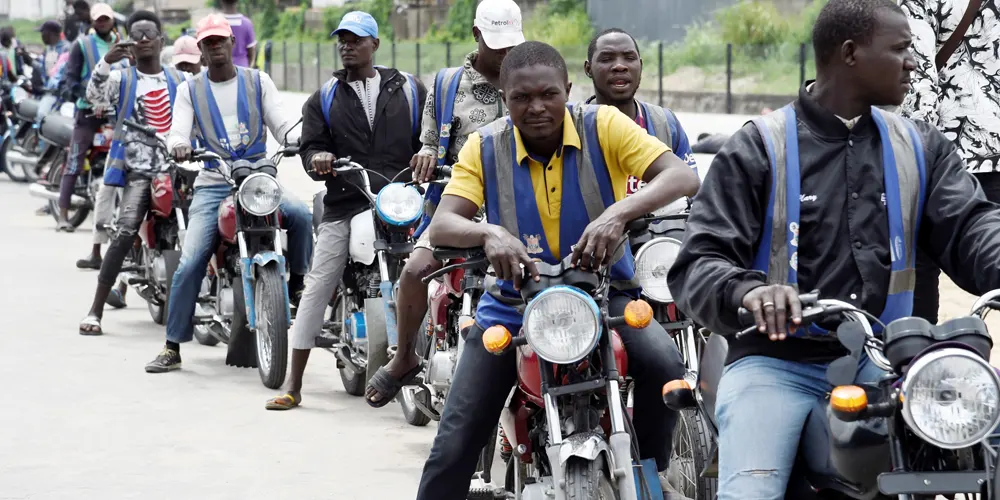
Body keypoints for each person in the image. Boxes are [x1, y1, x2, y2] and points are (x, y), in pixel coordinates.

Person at [666, 1, 1000, 498]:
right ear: (850, 53)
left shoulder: (921, 145)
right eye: (901, 49)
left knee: (977, 451)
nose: (914, 63)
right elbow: (698, 262)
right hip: (774, 363)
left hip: (887, 361)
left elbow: (971, 222)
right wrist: (749, 292)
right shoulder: (759, 146)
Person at [415, 41, 700, 500]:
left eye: (549, 94)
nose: (537, 108)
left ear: (569, 89)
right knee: (454, 441)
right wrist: (489, 235)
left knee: (665, 363)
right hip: (513, 305)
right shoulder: (482, 146)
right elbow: (445, 220)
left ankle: (650, 469)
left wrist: (618, 214)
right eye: (521, 98)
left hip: (607, 295)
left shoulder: (604, 124)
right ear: (503, 98)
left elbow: (682, 176)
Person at [361, 0, 523, 408]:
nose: (504, 53)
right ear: (475, 35)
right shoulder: (447, 83)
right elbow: (430, 141)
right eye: (495, 43)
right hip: (458, 201)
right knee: (414, 270)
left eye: (511, 44)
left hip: (520, 203)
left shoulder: (528, 75)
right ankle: (403, 359)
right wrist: (428, 154)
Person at [263, 10, 426, 410]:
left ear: (375, 44)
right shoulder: (325, 96)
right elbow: (310, 146)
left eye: (356, 39)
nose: (347, 46)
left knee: (435, 271)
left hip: (400, 198)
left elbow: (429, 133)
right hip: (346, 199)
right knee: (319, 284)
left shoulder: (408, 88)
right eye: (343, 40)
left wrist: (428, 152)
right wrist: (319, 157)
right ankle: (295, 384)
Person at [144, 14, 312, 374]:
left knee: (301, 216)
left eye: (221, 40)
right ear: (201, 51)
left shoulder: (257, 80)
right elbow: (178, 130)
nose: (216, 47)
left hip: (258, 177)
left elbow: (280, 122)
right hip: (214, 180)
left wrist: (295, 140)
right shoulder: (190, 89)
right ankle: (172, 345)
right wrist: (178, 145)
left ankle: (297, 286)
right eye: (208, 43)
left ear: (232, 44)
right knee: (190, 262)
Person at [78, 11, 189, 335]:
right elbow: (93, 98)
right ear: (128, 42)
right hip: (138, 171)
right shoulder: (120, 78)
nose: (142, 39)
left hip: (177, 169)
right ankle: (95, 309)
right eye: (135, 34)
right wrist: (104, 64)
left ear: (160, 40)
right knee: (125, 230)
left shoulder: (179, 81)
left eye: (148, 34)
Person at [899, 0, 998, 325]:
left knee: (915, 275)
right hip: (995, 151)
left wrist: (908, 151)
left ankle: (912, 363)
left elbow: (917, 80)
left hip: (941, 160)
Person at [57, 2, 127, 249]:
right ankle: (63, 214)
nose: (103, 23)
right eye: (99, 20)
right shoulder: (81, 45)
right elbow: (70, 80)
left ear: (112, 21)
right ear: (92, 22)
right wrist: (89, 99)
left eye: (106, 19)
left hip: (114, 115)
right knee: (75, 160)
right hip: (87, 113)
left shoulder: (122, 44)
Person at [218, 0, 257, 68]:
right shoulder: (246, 23)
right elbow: (251, 53)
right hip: (243, 67)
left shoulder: (215, 22)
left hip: (220, 69)